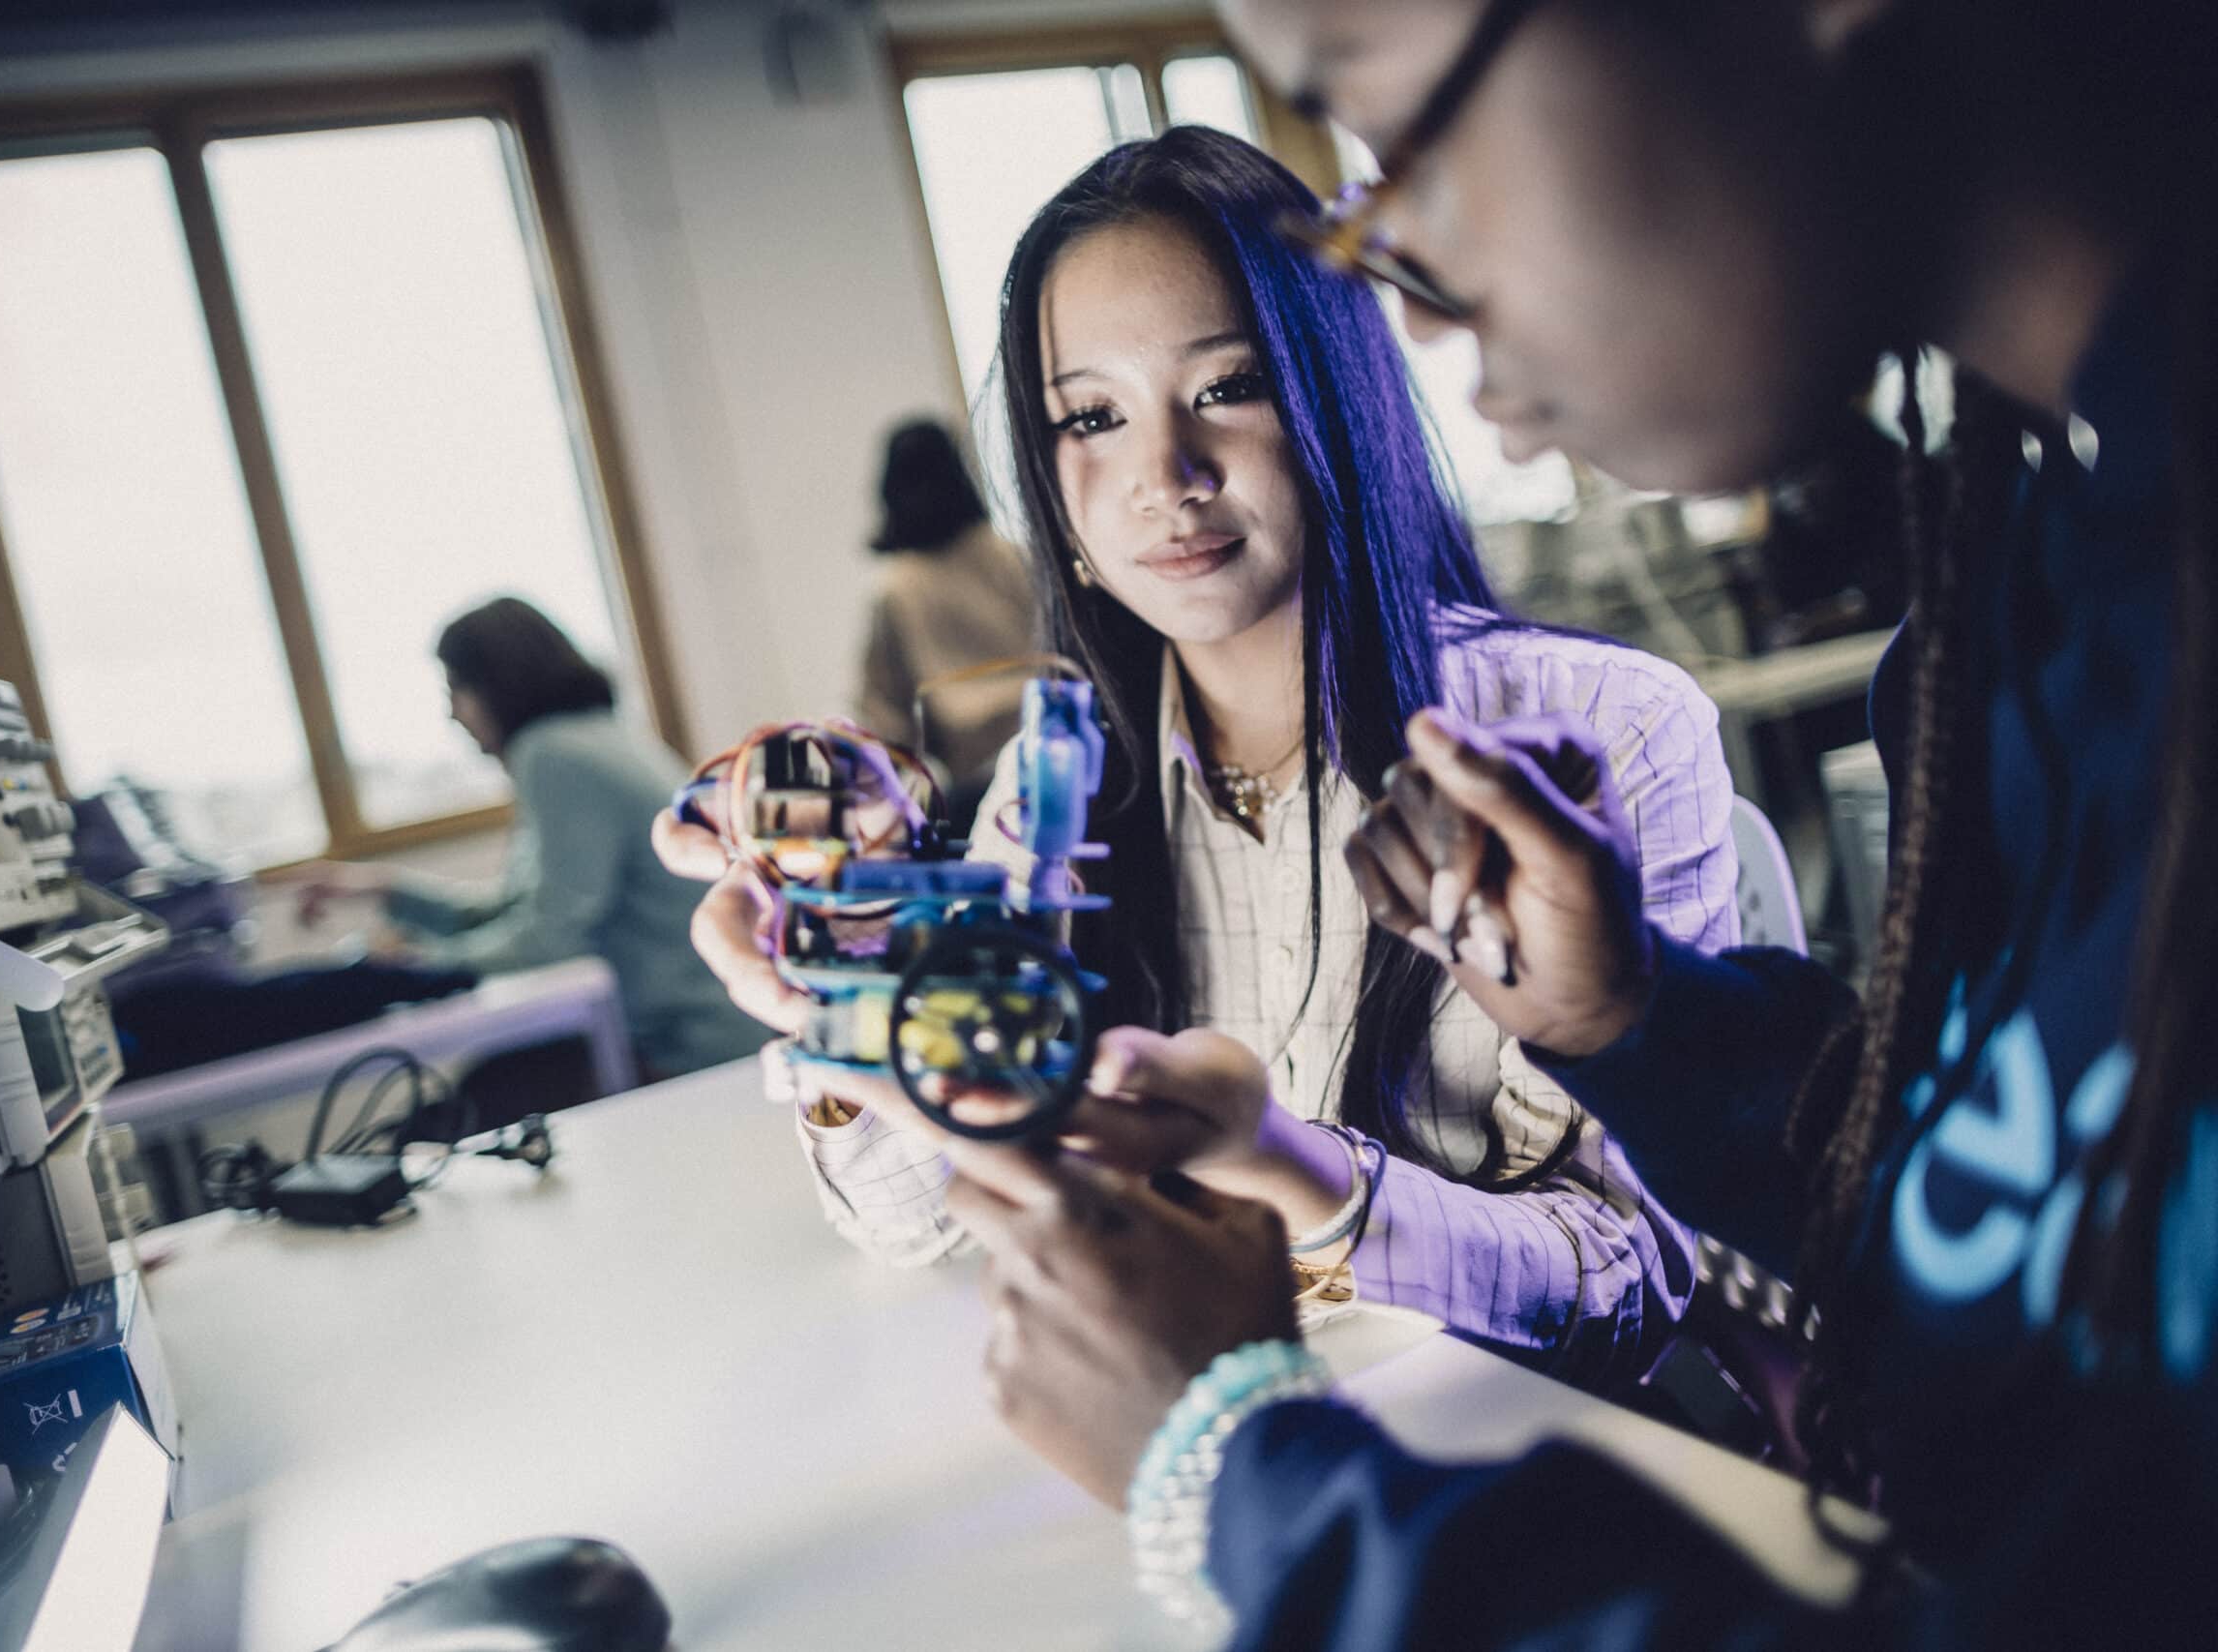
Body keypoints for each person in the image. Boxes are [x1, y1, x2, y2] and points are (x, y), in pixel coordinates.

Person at [942, 0, 2218, 1645]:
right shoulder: (2022, 635)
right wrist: (1654, 1029)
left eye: (1389, 114)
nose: (1391, 263)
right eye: (1087, 416)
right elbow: (2048, 1344)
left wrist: (1243, 1472)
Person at [663, 127, 1742, 1389]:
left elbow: (1635, 1275)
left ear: (1335, 403)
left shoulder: (1600, 734)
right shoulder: (1055, 786)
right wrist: (847, 977)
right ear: (1051, 501)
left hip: (1529, 1463)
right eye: (1092, 416)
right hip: (1201, 1440)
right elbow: (917, 1216)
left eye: (1226, 387)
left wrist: (1286, 1169)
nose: (1161, 477)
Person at [301, 597, 761, 1081]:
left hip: (688, 1045)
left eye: (456, 689)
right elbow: (517, 910)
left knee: (481, 1095)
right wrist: (384, 888)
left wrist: (416, 968)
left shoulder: (555, 756)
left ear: (497, 684)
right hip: (713, 1026)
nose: (453, 714)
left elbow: (548, 940)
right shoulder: (592, 737)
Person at [853, 417, 1038, 798]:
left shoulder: (895, 585)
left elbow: (884, 709)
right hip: (1046, 742)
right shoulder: (1012, 555)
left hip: (975, 773)